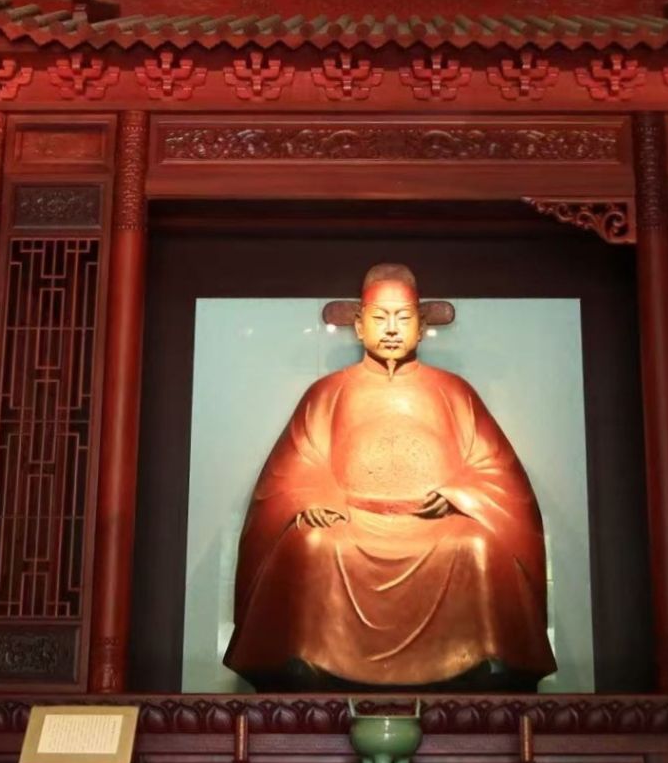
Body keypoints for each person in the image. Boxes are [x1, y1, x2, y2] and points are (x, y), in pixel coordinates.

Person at [223, 263, 557, 690]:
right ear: (360, 326)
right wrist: (313, 496)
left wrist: (461, 493)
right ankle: (308, 660)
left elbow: (498, 472)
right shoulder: (328, 391)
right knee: (311, 544)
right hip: (352, 523)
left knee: (477, 545)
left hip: (435, 526)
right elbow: (293, 467)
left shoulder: (454, 391)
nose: (393, 329)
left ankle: (484, 660)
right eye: (381, 318)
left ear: (421, 327)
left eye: (404, 318)